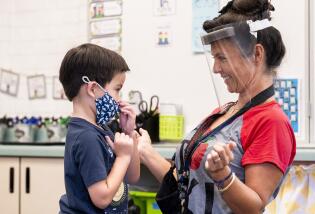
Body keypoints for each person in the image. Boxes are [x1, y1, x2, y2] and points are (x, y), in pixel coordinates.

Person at [138, 0, 296, 213]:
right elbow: (186, 181)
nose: (216, 68)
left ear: (257, 54)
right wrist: (146, 152)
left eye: (222, 58)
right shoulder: (223, 113)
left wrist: (223, 175)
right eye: (214, 58)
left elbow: (253, 207)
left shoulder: (271, 122)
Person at [58, 43, 140, 213]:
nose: (119, 99)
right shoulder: (86, 137)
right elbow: (101, 198)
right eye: (117, 89)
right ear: (93, 89)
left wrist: (129, 133)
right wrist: (123, 156)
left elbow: (133, 176)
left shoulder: (101, 128)